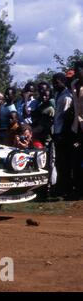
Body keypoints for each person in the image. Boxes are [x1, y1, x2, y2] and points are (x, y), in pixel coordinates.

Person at [52, 73, 74, 197]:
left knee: (64, 162)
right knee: (59, 161)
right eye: (53, 82)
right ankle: (61, 186)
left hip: (62, 133)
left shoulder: (66, 97)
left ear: (63, 82)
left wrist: (61, 134)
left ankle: (65, 187)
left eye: (57, 82)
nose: (54, 84)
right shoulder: (57, 95)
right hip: (56, 130)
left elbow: (65, 117)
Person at [70, 60, 83, 198]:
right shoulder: (73, 84)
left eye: (78, 69)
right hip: (76, 126)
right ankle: (78, 189)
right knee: (76, 159)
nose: (76, 72)